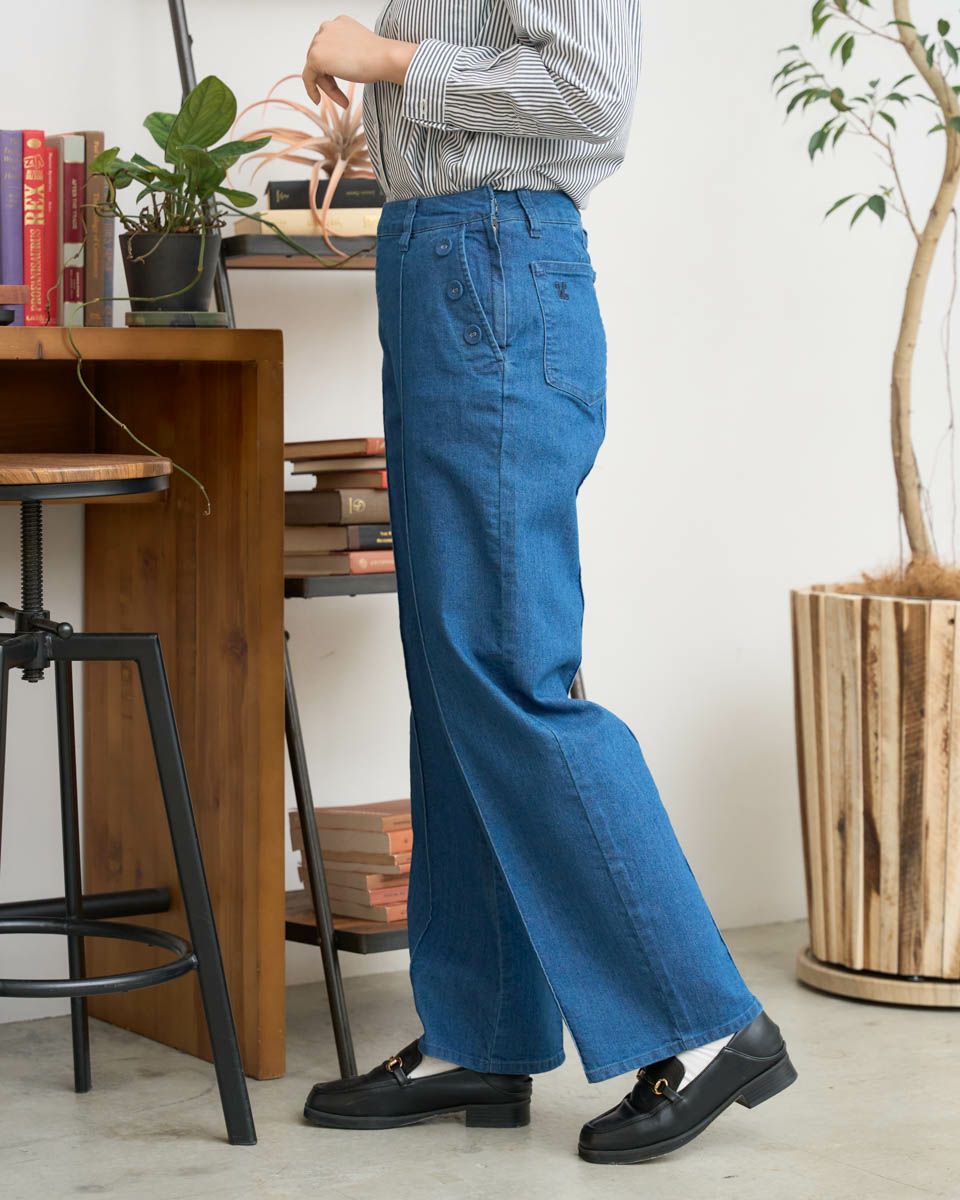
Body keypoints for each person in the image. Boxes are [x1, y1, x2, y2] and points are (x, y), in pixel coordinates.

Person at [298, 4, 796, 1164]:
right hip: (443, 261)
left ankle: (709, 1023)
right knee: (455, 677)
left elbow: (590, 92)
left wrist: (387, 60)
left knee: (507, 665)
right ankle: (483, 1034)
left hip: (490, 262)